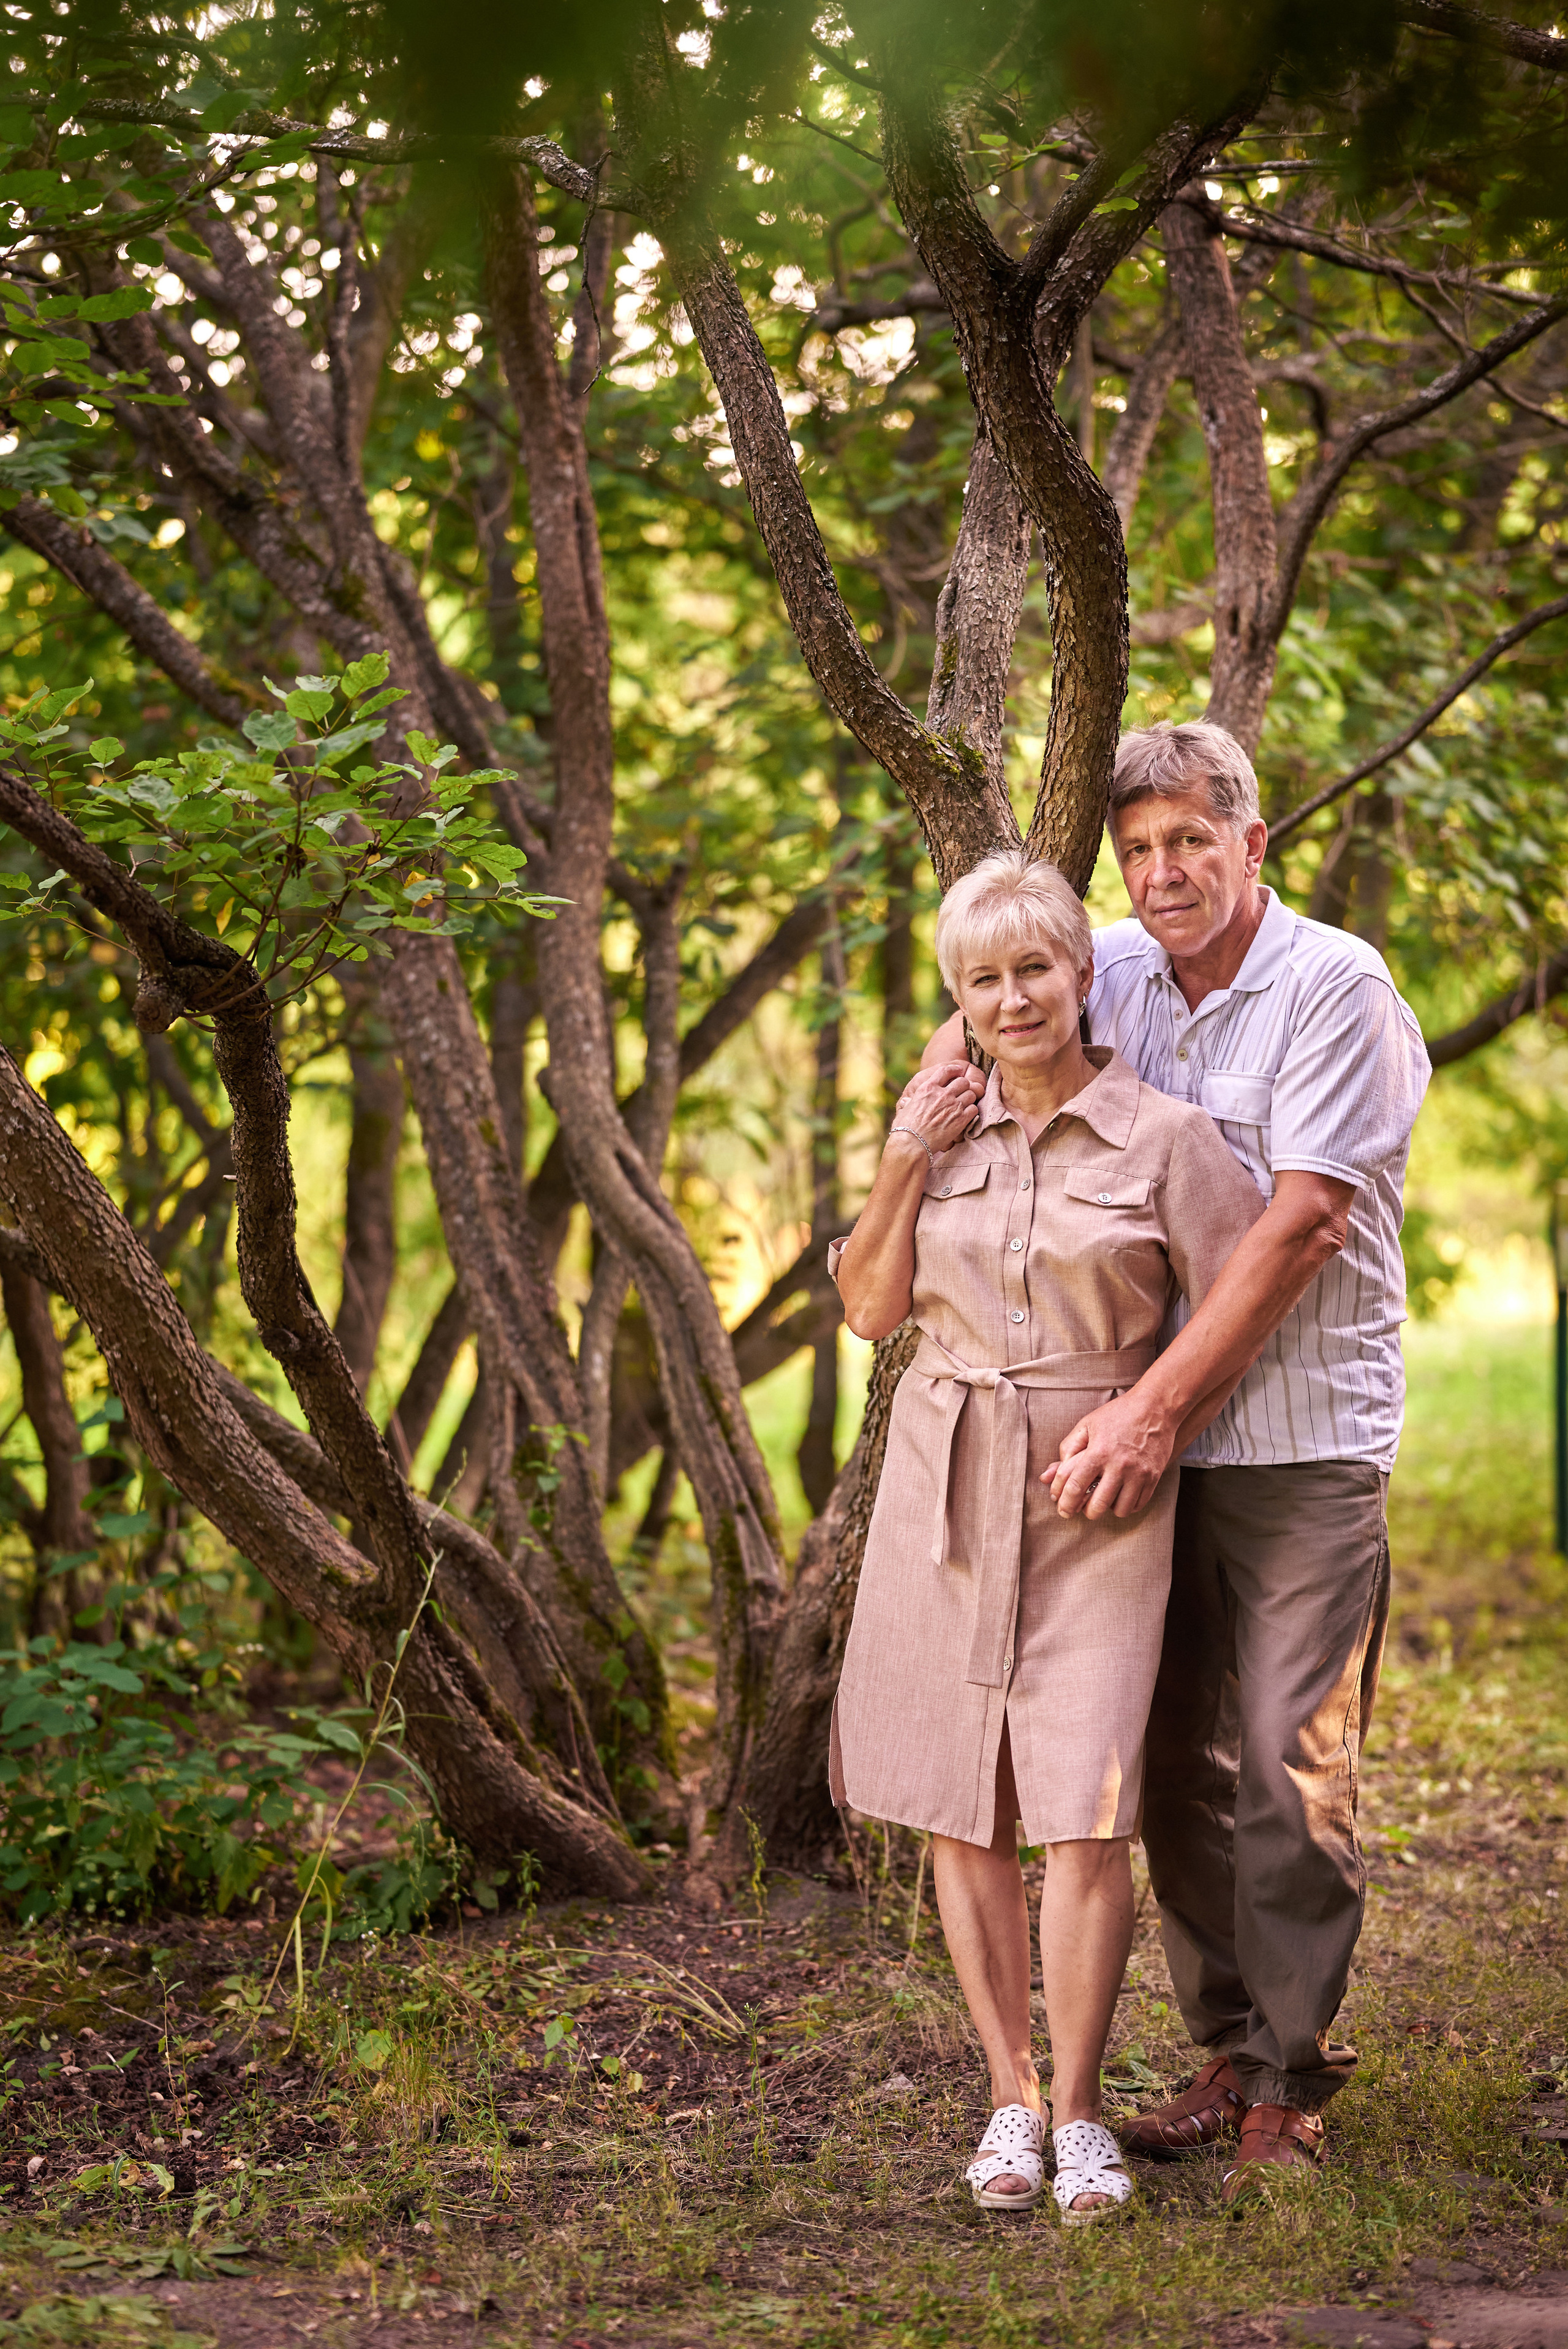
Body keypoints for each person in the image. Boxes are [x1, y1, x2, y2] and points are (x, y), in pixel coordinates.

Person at [922, 721, 1431, 2200]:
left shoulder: (1336, 988)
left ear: (1249, 843)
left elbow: (1301, 1225)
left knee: (1285, 1758)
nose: (1161, 872)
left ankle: (1289, 2077)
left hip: (1297, 1441)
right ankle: (1228, 2050)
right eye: (1137, 848)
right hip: (1142, 1451)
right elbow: (985, 1027)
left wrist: (1148, 1409)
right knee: (1164, 1766)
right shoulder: (1112, 971)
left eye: (1190, 841)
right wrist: (913, 1133)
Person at [831, 849, 1264, 2223]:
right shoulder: (940, 1131)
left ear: (1084, 976)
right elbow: (866, 1309)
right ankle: (1008, 2097)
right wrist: (904, 1155)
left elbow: (1236, 1317)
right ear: (957, 999)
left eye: (1033, 969)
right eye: (982, 979)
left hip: (1097, 1503)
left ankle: (1079, 2113)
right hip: (944, 1487)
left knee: (1083, 1808)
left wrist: (1149, 1424)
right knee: (962, 1804)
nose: (1011, 999)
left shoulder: (1166, 1140)